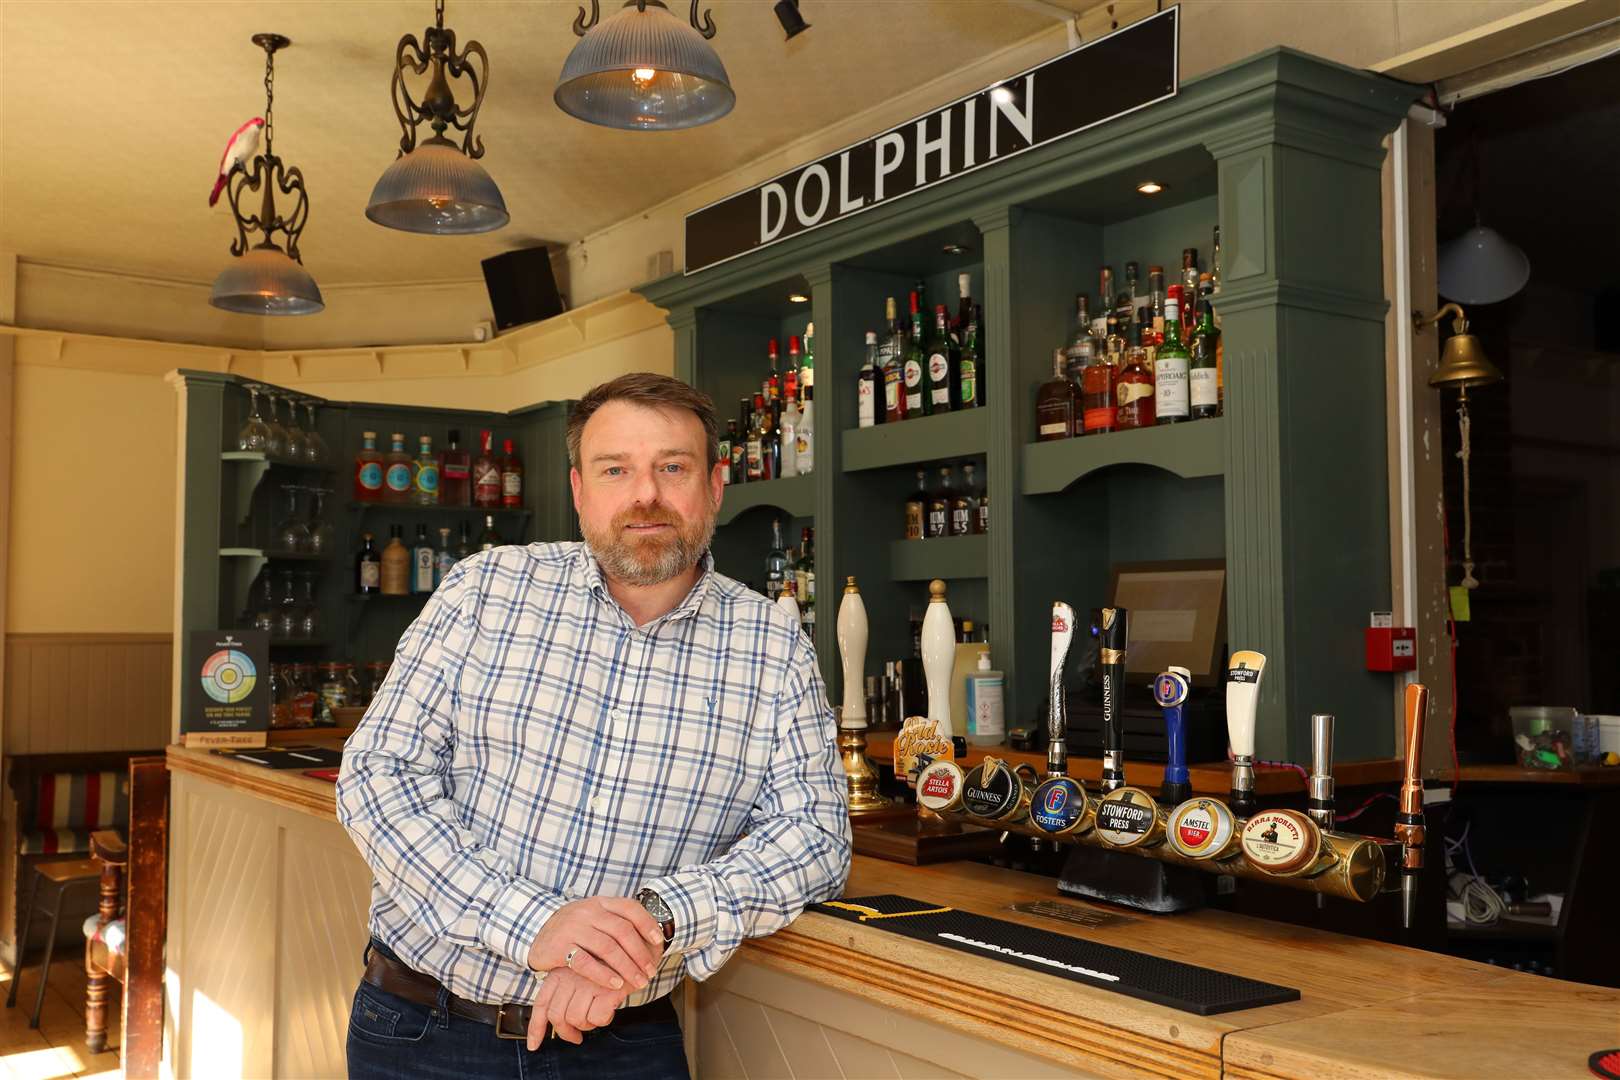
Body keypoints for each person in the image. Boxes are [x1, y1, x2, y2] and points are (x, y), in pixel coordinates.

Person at [337, 373, 851, 1079]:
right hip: (425, 1032)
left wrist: (651, 924)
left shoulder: (773, 643)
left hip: (624, 1045)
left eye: (673, 467)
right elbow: (376, 776)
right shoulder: (486, 590)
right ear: (579, 490)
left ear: (716, 484)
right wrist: (535, 924)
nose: (646, 494)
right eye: (617, 470)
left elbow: (816, 840)